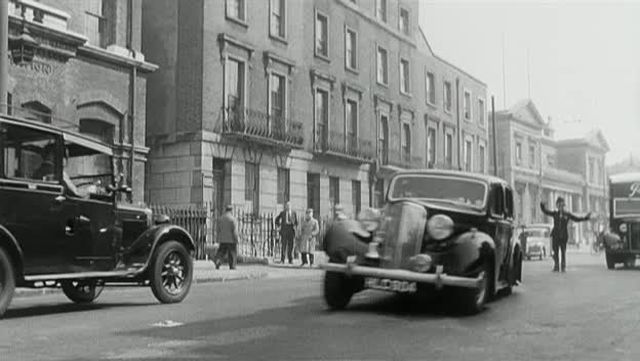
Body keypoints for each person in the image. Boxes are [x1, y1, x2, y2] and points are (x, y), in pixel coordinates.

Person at [540, 197, 591, 272]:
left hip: (563, 236)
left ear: (563, 206)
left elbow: (576, 219)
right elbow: (546, 211)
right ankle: (556, 266)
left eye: (562, 205)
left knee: (563, 252)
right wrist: (542, 205)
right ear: (557, 206)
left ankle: (563, 266)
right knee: (555, 252)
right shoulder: (555, 214)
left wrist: (585, 218)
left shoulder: (567, 214)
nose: (560, 207)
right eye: (559, 205)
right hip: (555, 235)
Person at [214, 205, 240, 270]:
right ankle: (232, 266)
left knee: (221, 252)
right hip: (231, 240)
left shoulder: (220, 218)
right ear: (231, 210)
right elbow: (234, 231)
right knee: (232, 253)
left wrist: (218, 238)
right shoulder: (233, 219)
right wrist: (237, 239)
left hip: (222, 239)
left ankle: (218, 261)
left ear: (225, 210)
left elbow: (218, 230)